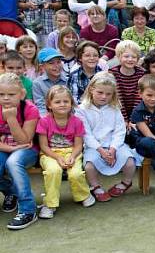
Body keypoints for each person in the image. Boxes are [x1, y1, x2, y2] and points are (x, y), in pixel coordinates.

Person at [76, 72, 141, 202]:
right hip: (94, 146)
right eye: (100, 92)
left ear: (113, 94)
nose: (104, 97)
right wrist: (101, 150)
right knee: (89, 166)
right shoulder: (81, 109)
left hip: (114, 145)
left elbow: (120, 130)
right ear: (91, 90)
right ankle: (96, 187)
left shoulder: (115, 107)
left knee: (129, 162)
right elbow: (86, 134)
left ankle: (126, 183)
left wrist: (113, 149)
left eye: (108, 94)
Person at [36, 85, 95, 219]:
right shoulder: (44, 121)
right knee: (53, 171)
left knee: (75, 173)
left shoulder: (77, 122)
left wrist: (73, 157)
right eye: (57, 102)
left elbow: (78, 145)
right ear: (49, 105)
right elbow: (43, 146)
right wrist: (57, 157)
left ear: (71, 103)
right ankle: (50, 204)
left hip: (72, 152)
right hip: (50, 153)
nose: (62, 104)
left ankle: (83, 195)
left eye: (66, 101)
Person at [0, 73, 40, 229]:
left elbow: (24, 140)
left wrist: (11, 119)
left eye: (11, 94)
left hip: (28, 150)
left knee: (13, 162)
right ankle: (11, 192)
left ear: (22, 94)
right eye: (1, 94)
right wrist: (10, 148)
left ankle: (28, 210)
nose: (6, 98)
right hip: (6, 147)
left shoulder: (30, 109)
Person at [108, 40, 146, 122]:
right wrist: (124, 120)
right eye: (126, 56)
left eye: (133, 57)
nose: (130, 59)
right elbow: (118, 98)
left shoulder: (141, 73)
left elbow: (138, 98)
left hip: (137, 112)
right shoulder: (112, 73)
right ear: (119, 57)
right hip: (117, 111)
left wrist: (132, 120)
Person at [32, 48, 69, 116]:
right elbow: (41, 107)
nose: (56, 66)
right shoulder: (37, 83)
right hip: (48, 118)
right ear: (42, 66)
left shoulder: (68, 80)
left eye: (59, 62)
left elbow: (73, 104)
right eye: (51, 63)